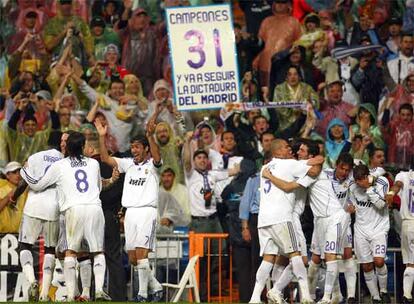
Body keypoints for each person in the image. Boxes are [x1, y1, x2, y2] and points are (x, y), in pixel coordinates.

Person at [20, 132, 110, 301]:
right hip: (94, 208)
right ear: (83, 146)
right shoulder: (93, 164)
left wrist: (24, 172)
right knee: (98, 251)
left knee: (70, 252)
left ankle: (70, 295)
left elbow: (38, 185)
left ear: (67, 147)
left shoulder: (60, 165)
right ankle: (98, 291)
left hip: (72, 210)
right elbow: (98, 187)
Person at [264, 143, 351, 303]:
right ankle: (333, 295)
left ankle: (325, 297)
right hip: (317, 220)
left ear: (310, 156)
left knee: (329, 257)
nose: (298, 152)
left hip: (335, 216)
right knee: (309, 259)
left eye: (302, 150)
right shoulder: (301, 168)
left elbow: (289, 186)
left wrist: (270, 176)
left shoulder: (312, 172)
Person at [95, 114, 164, 302]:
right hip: (130, 213)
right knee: (134, 259)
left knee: (142, 254)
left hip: (146, 211)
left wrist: (150, 135)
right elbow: (105, 158)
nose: (134, 150)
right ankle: (156, 286)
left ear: (146, 149)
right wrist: (102, 136)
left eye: (137, 147)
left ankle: (142, 294)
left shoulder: (153, 165)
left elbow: (157, 157)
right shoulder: (128, 165)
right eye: (132, 147)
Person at [250, 139, 322, 304]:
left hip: (264, 220)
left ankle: (255, 298)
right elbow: (314, 168)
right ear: (278, 151)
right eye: (286, 147)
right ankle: (305, 296)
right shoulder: (288, 164)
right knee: (296, 254)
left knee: (268, 258)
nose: (290, 150)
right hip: (283, 217)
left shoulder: (265, 168)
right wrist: (318, 157)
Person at [16, 131, 63, 301]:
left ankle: (31, 280)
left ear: (47, 141)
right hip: (54, 208)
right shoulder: (64, 161)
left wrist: (14, 197)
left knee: (25, 245)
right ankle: (44, 294)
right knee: (50, 249)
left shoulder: (35, 157)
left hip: (33, 206)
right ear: (61, 143)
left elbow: (24, 182)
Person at [349, 164, 391, 304]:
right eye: (357, 180)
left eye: (361, 179)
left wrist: (369, 188)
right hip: (361, 230)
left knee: (379, 261)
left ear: (367, 177)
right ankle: (375, 297)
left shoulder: (382, 183)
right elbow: (352, 205)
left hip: (379, 228)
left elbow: (381, 205)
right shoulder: (353, 187)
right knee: (366, 266)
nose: (359, 183)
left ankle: (384, 291)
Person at [325, 152, 357, 303]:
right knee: (327, 258)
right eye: (341, 168)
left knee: (348, 255)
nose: (344, 172)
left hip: (345, 222)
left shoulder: (351, 178)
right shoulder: (324, 176)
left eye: (347, 170)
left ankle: (351, 296)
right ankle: (328, 295)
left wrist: (352, 204)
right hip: (328, 223)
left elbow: (376, 171)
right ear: (336, 165)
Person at [386, 169, 414, 304]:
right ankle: (407, 295)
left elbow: (397, 185)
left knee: (411, 262)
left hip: (408, 225)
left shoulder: (403, 175)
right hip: (409, 223)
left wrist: (391, 193)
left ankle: (407, 295)